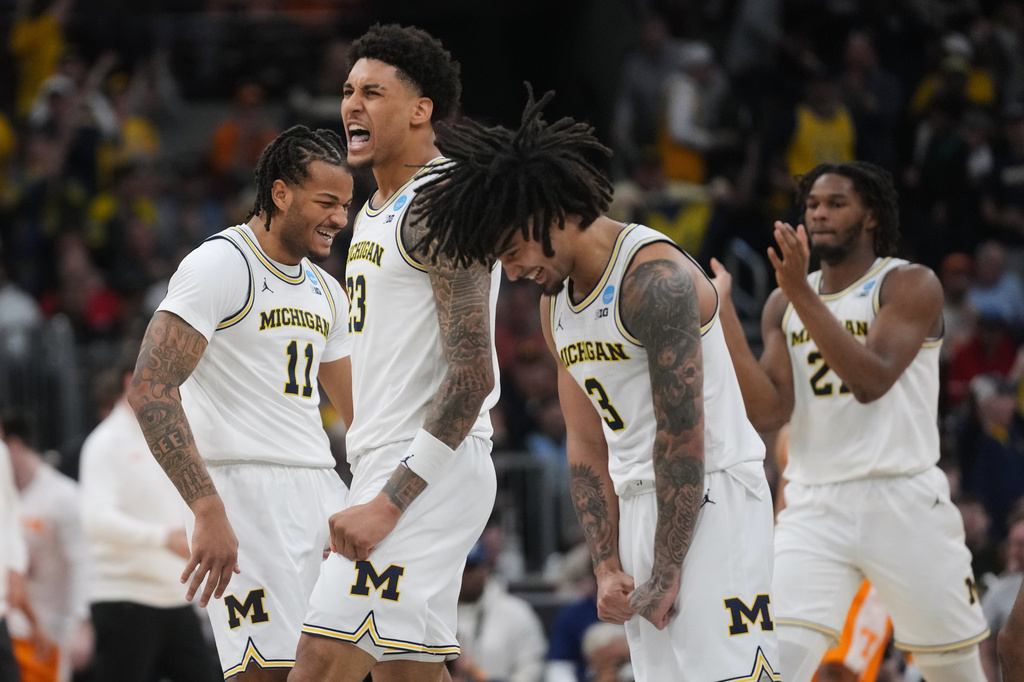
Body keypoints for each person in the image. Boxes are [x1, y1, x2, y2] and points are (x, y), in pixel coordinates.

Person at [410, 89, 779, 681]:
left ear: (547, 212)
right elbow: (584, 446)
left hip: (711, 499)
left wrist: (666, 565)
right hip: (638, 506)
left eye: (511, 250)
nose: (511, 272)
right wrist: (607, 565)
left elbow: (684, 437)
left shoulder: (653, 279)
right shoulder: (558, 303)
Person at [710, 160, 990, 681]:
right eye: (813, 205)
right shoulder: (781, 301)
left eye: (836, 203)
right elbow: (771, 410)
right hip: (814, 505)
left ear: (871, 218)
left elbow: (872, 380)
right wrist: (723, 313)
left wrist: (800, 294)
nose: (819, 214)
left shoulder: (909, 284)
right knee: (775, 663)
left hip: (903, 497)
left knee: (952, 669)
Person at [289, 24, 501, 682]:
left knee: (321, 663)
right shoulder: (376, 208)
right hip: (389, 463)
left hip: (424, 473)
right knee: (407, 672)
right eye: (348, 91)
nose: (352, 104)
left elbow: (472, 377)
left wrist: (389, 501)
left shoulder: (439, 205)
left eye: (373, 92)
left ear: (421, 109)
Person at [125, 124, 354, 681]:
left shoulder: (327, 290)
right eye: (327, 202)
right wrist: (206, 509)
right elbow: (150, 388)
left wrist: (374, 497)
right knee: (269, 674)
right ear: (281, 194)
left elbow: (361, 417)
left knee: (375, 659)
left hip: (322, 487)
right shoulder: (220, 264)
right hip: (244, 495)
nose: (340, 219)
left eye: (346, 205)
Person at [80, 350, 219, 682]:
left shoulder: (174, 436)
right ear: (132, 381)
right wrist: (161, 538)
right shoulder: (104, 443)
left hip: (175, 598)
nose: (176, 392)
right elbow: (96, 520)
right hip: (125, 600)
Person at [3, 412, 91, 682]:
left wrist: (82, 624)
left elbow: (83, 562)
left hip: (53, 631)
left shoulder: (62, 496)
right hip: (12, 625)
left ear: (13, 445)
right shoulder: (7, 496)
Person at [452, 541, 547, 682]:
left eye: (472, 568)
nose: (466, 575)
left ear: (486, 569)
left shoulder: (517, 613)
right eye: (461, 568)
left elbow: (532, 666)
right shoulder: (434, 615)